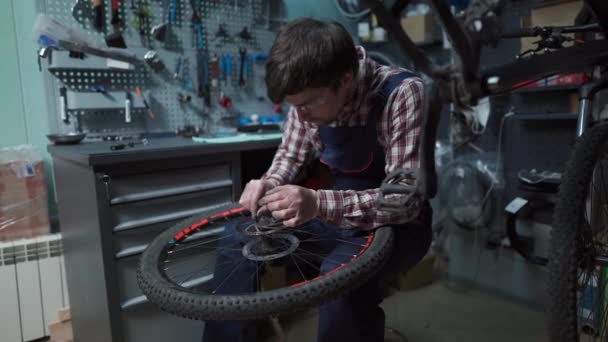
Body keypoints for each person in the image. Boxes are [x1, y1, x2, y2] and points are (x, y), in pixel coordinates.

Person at [202, 18, 432, 342]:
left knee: (340, 280)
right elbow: (291, 157)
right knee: (237, 238)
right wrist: (269, 182)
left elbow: (404, 199)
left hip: (395, 224)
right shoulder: (308, 97)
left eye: (309, 103)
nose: (302, 113)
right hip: (332, 214)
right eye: (295, 106)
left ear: (346, 80)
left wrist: (317, 202)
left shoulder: (402, 93)